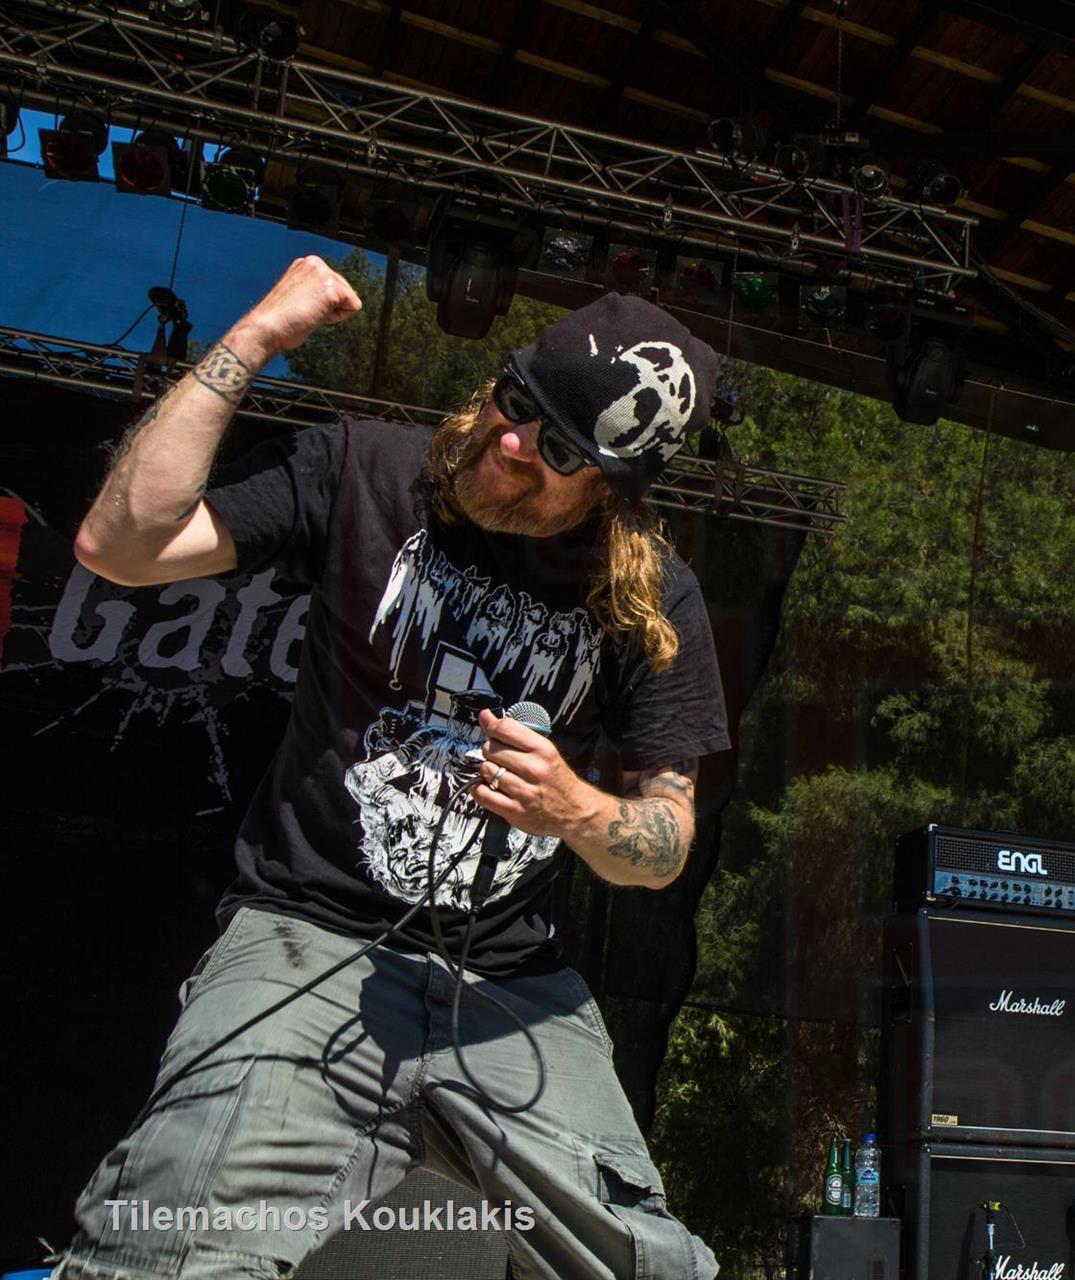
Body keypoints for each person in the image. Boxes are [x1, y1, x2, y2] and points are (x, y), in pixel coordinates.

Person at [58, 256, 731, 1280]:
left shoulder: (656, 599)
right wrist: (258, 335)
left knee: (654, 1263)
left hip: (508, 976)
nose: (509, 443)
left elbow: (664, 842)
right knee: (172, 1249)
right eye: (514, 403)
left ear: (607, 489)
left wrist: (581, 811)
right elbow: (120, 542)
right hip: (305, 932)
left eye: (550, 447)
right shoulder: (368, 473)